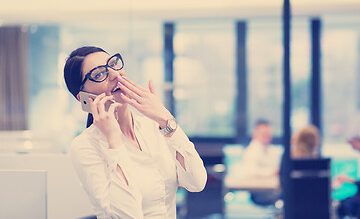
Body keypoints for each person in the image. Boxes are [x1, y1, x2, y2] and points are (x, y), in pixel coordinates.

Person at [63, 46, 207, 219]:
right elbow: (128, 215)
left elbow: (196, 182)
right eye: (99, 74)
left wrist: (166, 119)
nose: (115, 74)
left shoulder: (154, 126)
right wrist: (114, 142)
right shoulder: (85, 146)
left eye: (113, 64)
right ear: (84, 97)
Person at [241, 119, 281, 206]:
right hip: (260, 193)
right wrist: (272, 172)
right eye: (264, 134)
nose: (267, 136)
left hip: (273, 189)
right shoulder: (252, 150)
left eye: (268, 134)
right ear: (255, 134)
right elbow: (251, 171)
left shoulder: (272, 150)